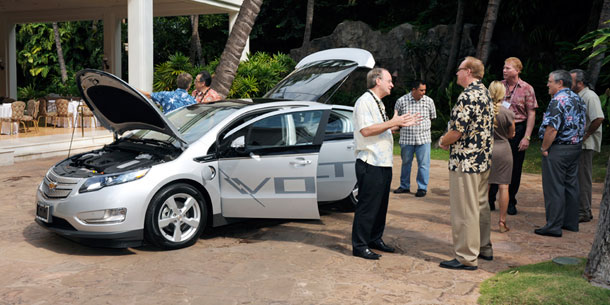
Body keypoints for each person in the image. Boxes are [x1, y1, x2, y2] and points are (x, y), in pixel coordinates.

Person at [352, 67, 420, 260]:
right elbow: (365, 131)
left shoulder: (378, 103)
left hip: (382, 162)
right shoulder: (364, 102)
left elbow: (381, 129)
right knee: (367, 206)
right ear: (377, 81)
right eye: (389, 80)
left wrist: (397, 124)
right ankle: (360, 245)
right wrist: (393, 122)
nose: (392, 84)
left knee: (381, 206)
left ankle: (375, 238)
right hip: (370, 162)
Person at [438, 56, 494, 271]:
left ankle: (466, 257)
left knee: (465, 210)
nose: (456, 73)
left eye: (459, 69)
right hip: (482, 160)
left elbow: (457, 131)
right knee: (480, 205)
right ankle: (483, 247)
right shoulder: (485, 92)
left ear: (469, 72)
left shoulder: (468, 96)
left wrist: (442, 141)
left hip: (465, 162)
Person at [535, 70, 586, 237]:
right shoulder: (577, 98)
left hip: (559, 148)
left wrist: (544, 148)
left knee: (554, 187)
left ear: (560, 83)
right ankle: (570, 223)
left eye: (550, 81)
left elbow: (552, 128)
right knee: (571, 185)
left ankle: (553, 226)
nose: (547, 84)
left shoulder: (558, 100)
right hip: (575, 147)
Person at [488, 57, 538, 215]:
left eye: (508, 68)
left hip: (518, 128)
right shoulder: (498, 86)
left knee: (515, 167)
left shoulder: (526, 88)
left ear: (517, 70)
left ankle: (510, 201)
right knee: (493, 163)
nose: (504, 70)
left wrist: (527, 137)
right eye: (504, 67)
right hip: (499, 128)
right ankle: (490, 198)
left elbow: (531, 113)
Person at [570, 69, 604, 223]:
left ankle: (584, 211)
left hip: (585, 144)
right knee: (577, 177)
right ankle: (580, 209)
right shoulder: (577, 96)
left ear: (580, 83)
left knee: (583, 177)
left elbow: (598, 118)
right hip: (578, 142)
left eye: (571, 80)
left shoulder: (590, 96)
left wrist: (586, 134)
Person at [393, 80, 437, 197]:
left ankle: (422, 188)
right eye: (421, 90)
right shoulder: (401, 101)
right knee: (406, 163)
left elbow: (432, 117)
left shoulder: (429, 101)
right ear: (413, 90)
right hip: (407, 139)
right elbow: (396, 119)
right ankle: (404, 186)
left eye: (424, 90)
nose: (423, 93)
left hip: (424, 139)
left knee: (423, 164)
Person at [488, 81, 515, 233]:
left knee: (485, 185)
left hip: (487, 149)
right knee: (503, 186)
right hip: (503, 149)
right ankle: (502, 222)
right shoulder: (508, 113)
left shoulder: (483, 110)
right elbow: (512, 134)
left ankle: (481, 218)